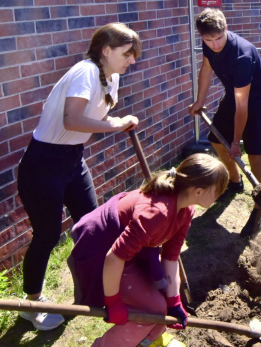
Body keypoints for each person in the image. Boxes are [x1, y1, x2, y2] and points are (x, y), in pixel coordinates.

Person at [17, 23, 141, 330]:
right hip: (43, 162)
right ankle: (31, 305)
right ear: (106, 50)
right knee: (46, 235)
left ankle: (93, 288)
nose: (132, 60)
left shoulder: (110, 78)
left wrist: (118, 121)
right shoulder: (86, 71)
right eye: (127, 54)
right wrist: (116, 124)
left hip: (72, 159)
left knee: (92, 224)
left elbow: (92, 119)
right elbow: (72, 120)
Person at [68, 154, 229, 347]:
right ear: (198, 191)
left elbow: (170, 257)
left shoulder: (186, 210)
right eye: (217, 191)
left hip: (133, 249)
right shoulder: (157, 213)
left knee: (160, 305)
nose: (219, 196)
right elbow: (113, 257)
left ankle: (144, 343)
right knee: (151, 312)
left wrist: (174, 301)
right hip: (102, 245)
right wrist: (113, 302)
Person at [188, 8, 261, 236]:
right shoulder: (209, 43)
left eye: (218, 38)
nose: (214, 45)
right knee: (216, 139)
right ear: (202, 36)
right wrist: (200, 100)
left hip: (256, 100)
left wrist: (236, 141)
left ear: (226, 29)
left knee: (255, 155)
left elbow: (242, 106)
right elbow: (206, 69)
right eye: (208, 40)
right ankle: (234, 182)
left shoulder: (241, 57)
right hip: (234, 93)